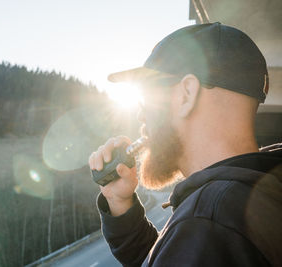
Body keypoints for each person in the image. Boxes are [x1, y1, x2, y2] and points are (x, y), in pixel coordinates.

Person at [89, 22, 282, 266]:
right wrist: (120, 204)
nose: (141, 116)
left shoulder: (206, 221)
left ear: (186, 95)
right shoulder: (255, 198)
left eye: (146, 99)